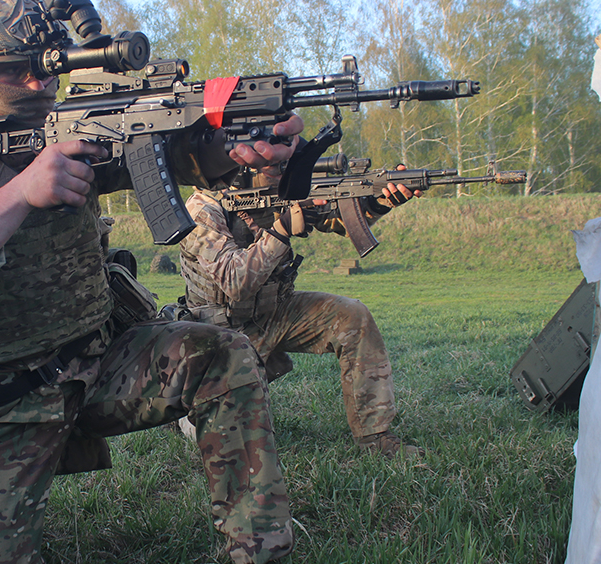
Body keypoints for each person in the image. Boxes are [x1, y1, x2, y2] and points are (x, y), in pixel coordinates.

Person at [0, 0, 328, 564]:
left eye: (48, 65)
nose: (39, 82)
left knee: (223, 354)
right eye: (17, 70)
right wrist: (24, 191)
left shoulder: (74, 127)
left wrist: (238, 145)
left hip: (102, 359)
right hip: (5, 399)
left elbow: (176, 151)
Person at [176, 169, 421, 458]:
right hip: (224, 332)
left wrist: (379, 202)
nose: (279, 166)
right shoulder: (201, 209)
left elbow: (336, 217)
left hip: (275, 311)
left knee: (352, 316)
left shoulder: (280, 190)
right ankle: (185, 411)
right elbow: (234, 281)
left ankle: (376, 438)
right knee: (236, 442)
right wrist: (280, 231)